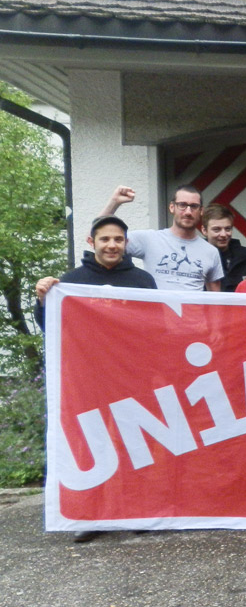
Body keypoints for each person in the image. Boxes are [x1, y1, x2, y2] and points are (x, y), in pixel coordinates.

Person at [36, 215, 157, 542]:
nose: (112, 245)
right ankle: (93, 515)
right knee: (94, 443)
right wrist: (43, 300)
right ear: (92, 242)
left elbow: (156, 329)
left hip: (132, 378)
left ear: (126, 243)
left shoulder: (144, 281)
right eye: (105, 239)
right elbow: (52, 326)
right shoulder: (71, 281)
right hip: (89, 379)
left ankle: (136, 510)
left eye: (118, 239)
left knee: (134, 446)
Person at [101, 184, 223, 291]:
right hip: (156, 316)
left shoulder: (211, 252)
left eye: (194, 206)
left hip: (194, 317)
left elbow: (216, 303)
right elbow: (97, 238)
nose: (188, 212)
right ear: (172, 207)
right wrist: (114, 202)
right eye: (182, 205)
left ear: (201, 210)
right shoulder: (149, 239)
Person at [201, 204, 246, 292]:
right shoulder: (195, 256)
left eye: (228, 229)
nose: (223, 234)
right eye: (217, 229)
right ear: (204, 230)